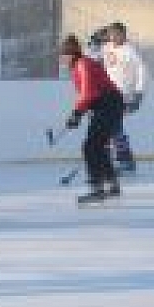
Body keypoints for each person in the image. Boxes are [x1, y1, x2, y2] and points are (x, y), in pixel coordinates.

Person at [60, 35, 125, 204]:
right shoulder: (79, 67)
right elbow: (88, 95)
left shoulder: (82, 64)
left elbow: (89, 93)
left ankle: (97, 188)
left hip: (109, 104)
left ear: (71, 55)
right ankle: (112, 185)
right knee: (98, 145)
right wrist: (79, 114)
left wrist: (76, 113)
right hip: (107, 105)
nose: (62, 60)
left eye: (64, 55)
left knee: (90, 146)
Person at [100, 21, 147, 173]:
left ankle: (124, 160)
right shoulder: (105, 47)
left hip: (122, 94)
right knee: (107, 126)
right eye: (110, 33)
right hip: (105, 94)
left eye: (115, 33)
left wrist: (138, 94)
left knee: (113, 126)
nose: (111, 36)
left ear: (122, 35)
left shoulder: (130, 51)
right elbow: (92, 57)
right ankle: (110, 158)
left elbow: (142, 72)